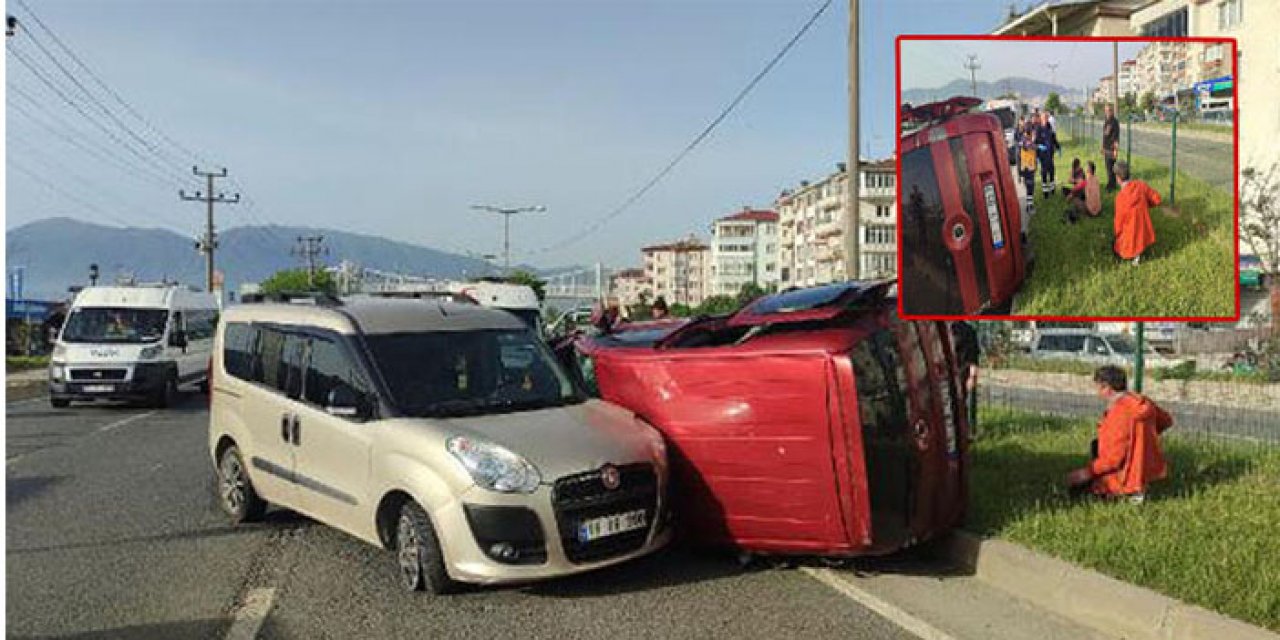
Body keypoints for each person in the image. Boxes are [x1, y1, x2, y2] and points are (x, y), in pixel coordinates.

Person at [1066, 366, 1173, 503]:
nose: (1097, 391)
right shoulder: (1142, 402)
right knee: (1096, 445)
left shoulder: (1119, 413)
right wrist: (1144, 438)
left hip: (1122, 479)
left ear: (1106, 387)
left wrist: (1086, 473)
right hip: (1143, 471)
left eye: (1098, 387)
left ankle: (1126, 494)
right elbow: (1166, 420)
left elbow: (1114, 459)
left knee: (1076, 490)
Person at [1112, 161, 1161, 266]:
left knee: (1118, 247)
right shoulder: (1141, 185)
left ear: (1118, 178)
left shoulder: (1120, 198)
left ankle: (1134, 256)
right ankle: (1139, 252)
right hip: (1144, 231)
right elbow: (1157, 199)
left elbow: (1119, 222)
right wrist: (1146, 205)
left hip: (1130, 235)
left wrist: (1116, 234)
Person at [950, 321, 980, 433]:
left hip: (963, 371)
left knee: (962, 403)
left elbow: (973, 357)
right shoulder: (945, 328)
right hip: (948, 372)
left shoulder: (968, 331)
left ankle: (966, 431)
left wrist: (972, 376)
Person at [1018, 128, 1038, 214]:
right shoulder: (1024, 141)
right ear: (1028, 133)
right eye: (1034, 133)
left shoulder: (1027, 140)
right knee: (1030, 187)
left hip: (1030, 168)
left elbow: (1034, 150)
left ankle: (1030, 205)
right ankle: (1029, 207)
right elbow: (1031, 146)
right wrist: (1033, 139)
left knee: (1031, 188)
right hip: (1027, 169)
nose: (1035, 135)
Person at [1102, 104, 1121, 192]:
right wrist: (1102, 147)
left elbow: (1116, 137)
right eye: (1106, 110)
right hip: (1106, 148)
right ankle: (1111, 183)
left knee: (1111, 168)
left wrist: (1116, 151)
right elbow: (1104, 136)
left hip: (1111, 149)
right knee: (1108, 167)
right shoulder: (1106, 121)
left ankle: (1111, 186)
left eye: (1109, 110)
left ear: (1112, 111)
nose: (1107, 112)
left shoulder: (1114, 122)